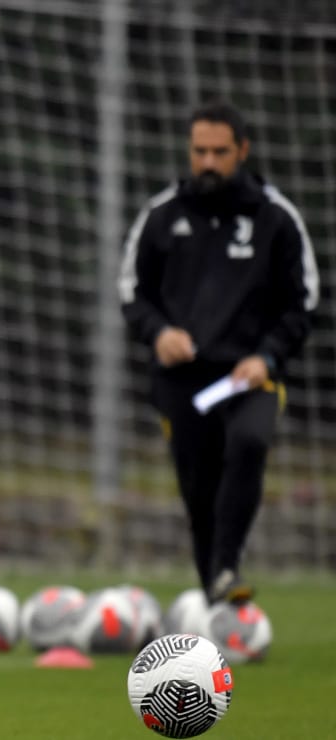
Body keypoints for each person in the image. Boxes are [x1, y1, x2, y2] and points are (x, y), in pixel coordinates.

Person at [118, 101, 318, 606]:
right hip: (181, 379)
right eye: (199, 151)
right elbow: (131, 291)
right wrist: (158, 331)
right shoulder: (162, 216)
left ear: (242, 151)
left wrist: (268, 356)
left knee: (249, 443)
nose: (208, 162)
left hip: (248, 375)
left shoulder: (276, 218)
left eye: (219, 152)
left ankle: (226, 568)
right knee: (197, 486)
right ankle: (217, 593)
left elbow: (304, 301)